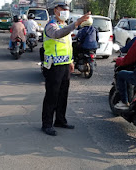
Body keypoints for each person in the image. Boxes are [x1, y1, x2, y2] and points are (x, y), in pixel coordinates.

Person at [41, 1, 90, 136]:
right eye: (63, 9)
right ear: (56, 10)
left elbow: (68, 46)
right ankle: (47, 124)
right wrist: (77, 23)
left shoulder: (63, 25)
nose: (65, 11)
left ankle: (60, 120)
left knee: (63, 94)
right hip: (53, 66)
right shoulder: (51, 26)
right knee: (52, 95)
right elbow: (58, 34)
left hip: (65, 66)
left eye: (67, 9)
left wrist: (71, 61)